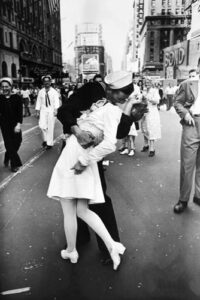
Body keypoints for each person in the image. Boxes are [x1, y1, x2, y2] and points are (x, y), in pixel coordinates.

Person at [47, 71, 140, 270]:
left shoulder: (122, 104)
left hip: (92, 154)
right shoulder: (91, 90)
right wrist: (76, 130)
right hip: (75, 145)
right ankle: (78, 239)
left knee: (98, 199)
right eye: (117, 94)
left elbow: (119, 134)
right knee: (73, 200)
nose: (120, 98)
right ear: (108, 88)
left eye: (125, 94)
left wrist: (130, 115)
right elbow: (64, 111)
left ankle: (108, 247)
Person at [173, 68, 200, 214]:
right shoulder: (187, 84)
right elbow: (177, 102)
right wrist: (184, 114)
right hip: (192, 124)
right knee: (187, 164)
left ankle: (198, 195)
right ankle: (183, 200)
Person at [0, 77, 23, 172]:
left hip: (15, 124)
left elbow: (20, 112)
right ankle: (14, 165)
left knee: (17, 142)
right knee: (9, 144)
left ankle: (7, 156)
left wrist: (18, 124)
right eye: (2, 87)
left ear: (11, 87)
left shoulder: (17, 98)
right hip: (4, 125)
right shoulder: (0, 98)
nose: (4, 88)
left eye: (7, 86)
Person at [35, 75, 60, 150]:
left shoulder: (54, 92)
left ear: (50, 82)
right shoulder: (41, 92)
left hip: (51, 110)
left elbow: (56, 102)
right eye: (45, 81)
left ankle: (49, 143)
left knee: (50, 127)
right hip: (43, 110)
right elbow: (38, 101)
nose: (46, 83)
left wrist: (56, 110)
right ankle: (45, 139)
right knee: (42, 125)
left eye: (48, 81)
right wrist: (37, 111)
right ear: (43, 82)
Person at [141, 78, 161, 157]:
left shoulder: (154, 91)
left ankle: (152, 148)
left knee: (151, 129)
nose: (147, 84)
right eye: (145, 82)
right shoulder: (144, 91)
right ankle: (146, 145)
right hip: (144, 111)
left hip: (152, 112)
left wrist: (148, 98)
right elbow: (141, 101)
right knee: (144, 128)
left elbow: (157, 101)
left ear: (151, 83)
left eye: (148, 82)